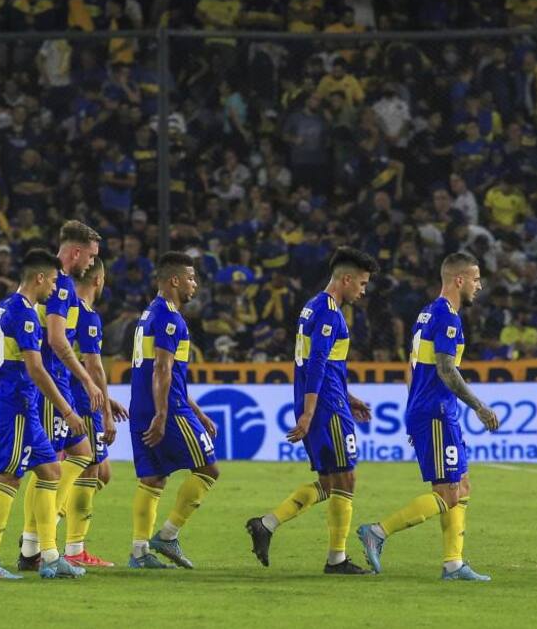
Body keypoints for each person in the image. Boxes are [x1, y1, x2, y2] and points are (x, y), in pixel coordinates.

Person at [357, 252, 500, 581]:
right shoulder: (447, 317)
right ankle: (377, 532)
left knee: (461, 485)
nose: (479, 286)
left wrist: (414, 406)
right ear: (459, 280)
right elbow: (447, 371)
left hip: (432, 409)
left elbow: (411, 368)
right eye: (476, 279)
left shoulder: (427, 313)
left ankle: (453, 564)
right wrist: (479, 406)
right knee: (448, 493)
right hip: (436, 412)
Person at [246, 247, 378, 574]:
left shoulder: (312, 306)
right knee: (346, 478)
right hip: (326, 406)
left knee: (331, 482)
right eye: (361, 284)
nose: (363, 291)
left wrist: (349, 396)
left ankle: (267, 524)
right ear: (345, 279)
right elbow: (317, 363)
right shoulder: (331, 313)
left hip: (326, 400)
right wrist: (309, 413)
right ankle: (336, 559)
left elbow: (323, 365)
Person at [0, 249, 86, 580]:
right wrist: (66, 410)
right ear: (39, 278)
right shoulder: (24, 313)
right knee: (8, 477)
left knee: (51, 471)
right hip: (18, 405)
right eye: (52, 281)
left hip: (17, 405)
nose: (54, 288)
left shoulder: (1, 309)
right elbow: (36, 369)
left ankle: (50, 557)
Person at [17, 221, 105, 571]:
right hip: (51, 382)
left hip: (51, 381)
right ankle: (40, 541)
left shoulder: (48, 281)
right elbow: (56, 339)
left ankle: (31, 545)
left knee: (74, 456)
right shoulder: (60, 284)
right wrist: (87, 380)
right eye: (91, 256)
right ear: (76, 252)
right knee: (54, 463)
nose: (91, 263)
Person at [128, 251, 219, 569]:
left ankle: (139, 552)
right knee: (208, 470)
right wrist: (163, 414)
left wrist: (199, 412)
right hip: (168, 409)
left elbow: (169, 374)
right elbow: (162, 370)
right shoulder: (170, 318)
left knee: (152, 479)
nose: (195, 284)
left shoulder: (149, 313)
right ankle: (168, 535)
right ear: (175, 281)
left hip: (142, 406)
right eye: (191, 278)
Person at [58, 256, 126, 567]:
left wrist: (108, 401)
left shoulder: (66, 311)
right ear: (98, 280)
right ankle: (69, 545)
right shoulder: (86, 315)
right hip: (84, 404)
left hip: (73, 396)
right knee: (89, 469)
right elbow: (94, 367)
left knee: (103, 472)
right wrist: (106, 413)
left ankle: (54, 528)